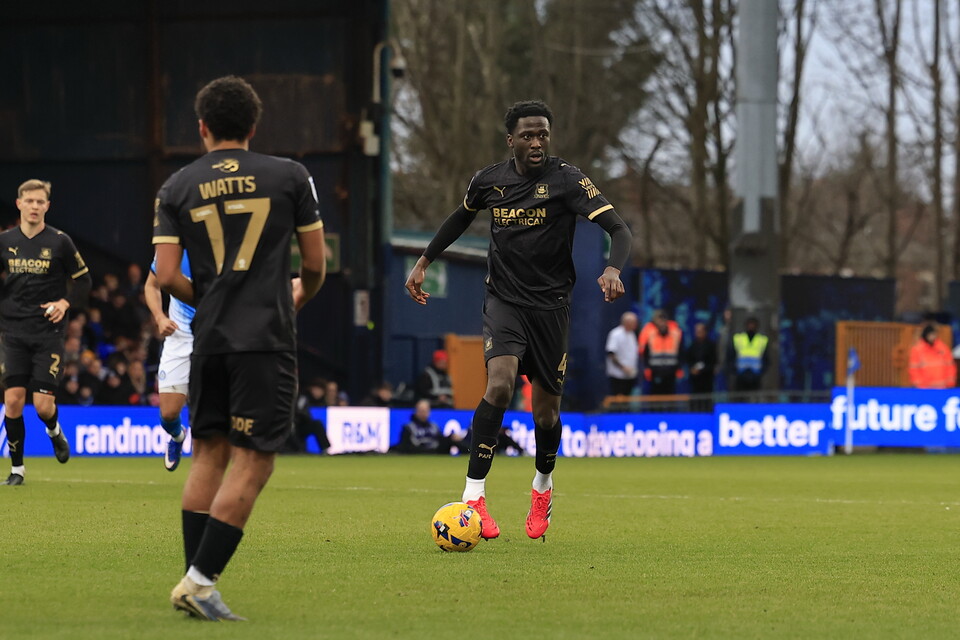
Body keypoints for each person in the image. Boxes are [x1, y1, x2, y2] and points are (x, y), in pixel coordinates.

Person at [404, 100, 631, 541]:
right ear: (511, 140)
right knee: (501, 384)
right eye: (528, 135)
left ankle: (542, 486)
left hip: (551, 308)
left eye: (543, 134)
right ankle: (473, 497)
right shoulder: (489, 181)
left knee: (545, 414)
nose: (536, 142)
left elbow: (619, 229)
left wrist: (612, 268)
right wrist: (424, 261)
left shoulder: (567, 180)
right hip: (504, 301)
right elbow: (461, 217)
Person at [153, 75, 326, 621]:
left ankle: (195, 581)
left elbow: (164, 275)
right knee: (253, 462)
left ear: (202, 127)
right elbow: (315, 265)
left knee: (208, 454)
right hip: (264, 340)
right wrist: (296, 298)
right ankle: (200, 582)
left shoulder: (176, 186)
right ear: (254, 125)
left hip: (208, 340)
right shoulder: (290, 176)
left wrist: (210, 300)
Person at [0, 179, 92, 486]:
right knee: (13, 401)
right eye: (30, 201)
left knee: (42, 406)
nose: (35, 206)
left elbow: (84, 281)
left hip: (47, 333)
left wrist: (65, 303)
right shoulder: (4, 241)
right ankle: (17, 470)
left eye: (40, 202)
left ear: (47, 206)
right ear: (19, 204)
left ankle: (54, 430)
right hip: (13, 332)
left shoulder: (60, 241)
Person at [144, 251, 194, 471]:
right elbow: (151, 285)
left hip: (216, 336)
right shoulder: (172, 248)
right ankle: (177, 436)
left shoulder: (223, 243)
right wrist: (160, 317)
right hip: (179, 338)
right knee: (168, 414)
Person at [638, 309, 683, 395]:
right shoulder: (650, 334)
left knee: (670, 394)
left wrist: (679, 368)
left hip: (671, 370)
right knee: (655, 395)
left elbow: (680, 352)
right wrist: (647, 368)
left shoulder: (675, 333)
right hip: (655, 370)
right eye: (659, 321)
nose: (661, 324)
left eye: (663, 321)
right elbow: (645, 353)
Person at [393, 399, 459, 454]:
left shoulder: (434, 427)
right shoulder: (408, 428)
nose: (423, 414)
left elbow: (441, 441)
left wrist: (450, 437)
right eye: (421, 411)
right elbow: (405, 446)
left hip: (434, 454)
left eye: (425, 411)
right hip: (416, 454)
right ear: (416, 411)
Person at [727, 316, 770, 392]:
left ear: (757, 326)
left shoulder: (762, 339)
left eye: (753, 324)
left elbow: (766, 358)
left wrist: (761, 371)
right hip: (740, 374)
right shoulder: (738, 338)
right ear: (746, 325)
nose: (751, 326)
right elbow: (731, 356)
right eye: (749, 324)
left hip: (756, 375)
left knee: (755, 396)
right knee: (740, 396)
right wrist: (734, 370)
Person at [908, 325, 956, 389]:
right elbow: (914, 369)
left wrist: (950, 382)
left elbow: (950, 366)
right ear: (926, 335)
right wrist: (919, 384)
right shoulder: (917, 350)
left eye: (934, 334)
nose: (932, 337)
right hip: (925, 388)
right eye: (930, 335)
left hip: (942, 387)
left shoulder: (943, 348)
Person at [605, 311, 639, 397]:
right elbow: (611, 353)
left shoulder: (632, 334)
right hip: (618, 376)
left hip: (630, 375)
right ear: (627, 322)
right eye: (634, 322)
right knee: (618, 400)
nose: (636, 324)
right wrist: (623, 368)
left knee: (627, 400)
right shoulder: (615, 334)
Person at [685, 321, 717, 410]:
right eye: (696, 331)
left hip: (707, 379)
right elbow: (688, 360)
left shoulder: (711, 345)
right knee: (695, 401)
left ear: (705, 332)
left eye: (700, 331)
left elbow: (713, 362)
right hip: (695, 381)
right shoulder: (692, 345)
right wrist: (692, 369)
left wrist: (703, 370)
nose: (698, 333)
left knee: (706, 402)